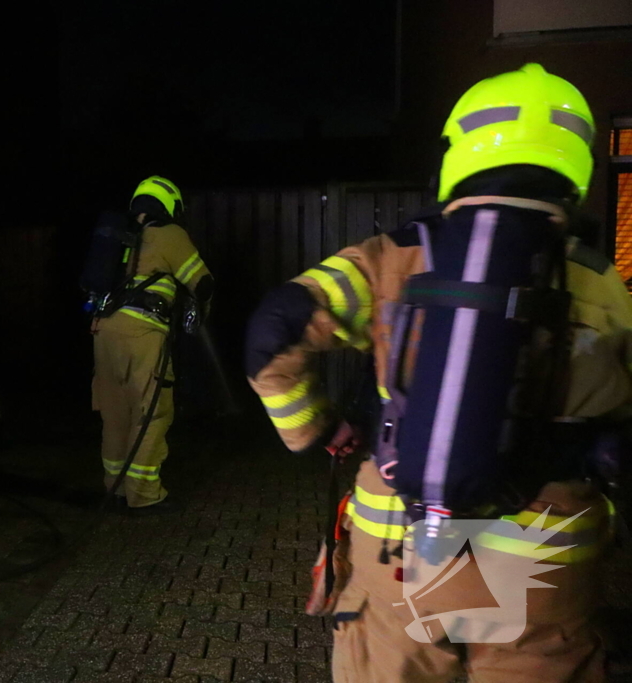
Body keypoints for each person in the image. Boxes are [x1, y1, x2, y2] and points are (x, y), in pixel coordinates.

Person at [245, 63, 631, 682]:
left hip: (401, 554)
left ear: (459, 149)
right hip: (543, 567)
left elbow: (273, 331)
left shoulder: (389, 258)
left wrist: (315, 429)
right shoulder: (605, 282)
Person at [91, 175, 214, 514]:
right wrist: (198, 311)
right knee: (152, 412)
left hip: (104, 331)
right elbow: (202, 284)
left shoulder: (122, 238)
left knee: (116, 413)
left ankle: (116, 490)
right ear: (169, 204)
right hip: (142, 333)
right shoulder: (169, 234)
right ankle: (144, 495)